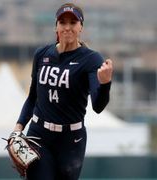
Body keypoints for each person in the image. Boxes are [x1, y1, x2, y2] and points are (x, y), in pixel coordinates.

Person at [12, 2, 113, 180]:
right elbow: (32, 97)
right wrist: (18, 127)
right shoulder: (42, 54)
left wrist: (105, 84)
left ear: (81, 27)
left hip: (71, 140)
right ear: (56, 27)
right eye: (62, 22)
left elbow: (97, 106)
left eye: (73, 23)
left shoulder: (91, 59)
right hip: (39, 134)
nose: (67, 27)